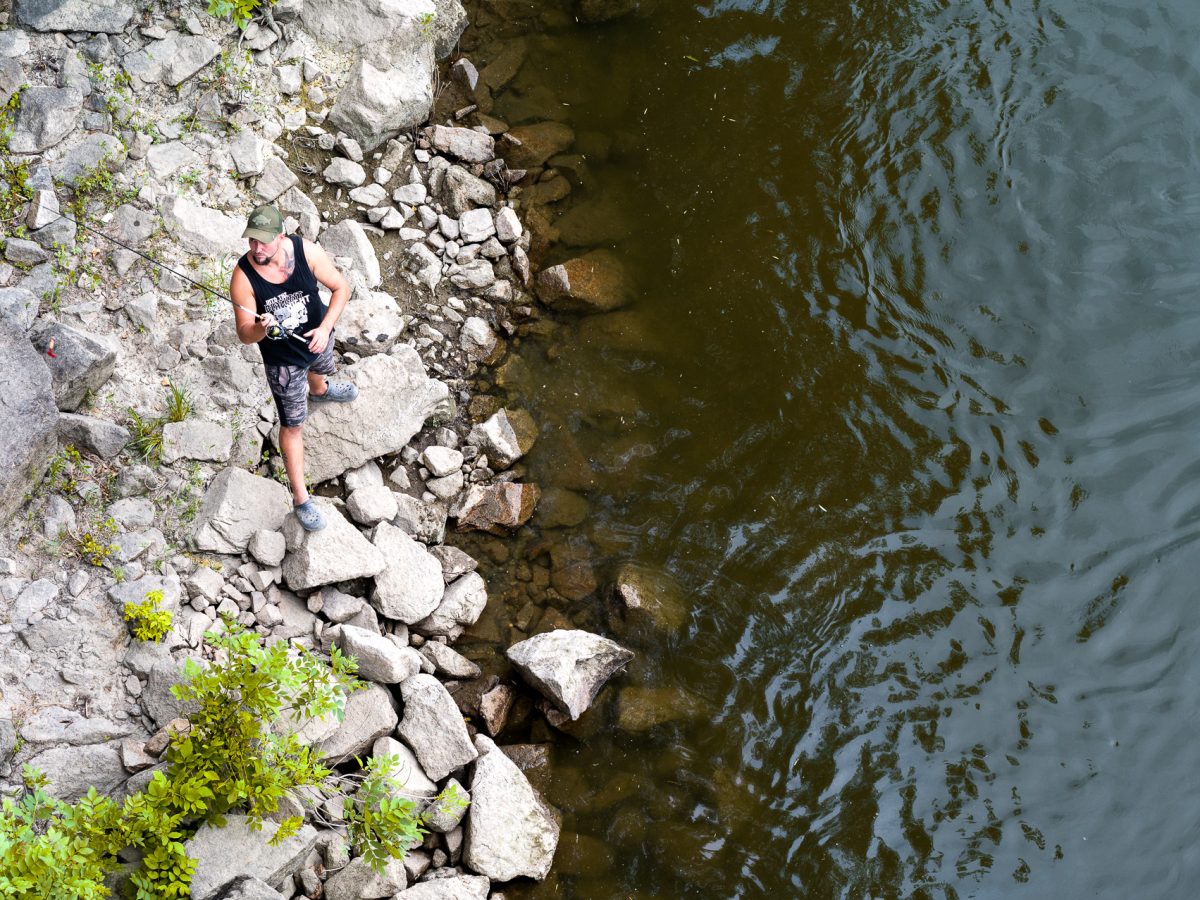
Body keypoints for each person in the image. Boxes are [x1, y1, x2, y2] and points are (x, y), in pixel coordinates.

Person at [230, 204, 357, 532]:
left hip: (317, 337)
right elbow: (245, 335)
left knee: (322, 366)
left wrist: (326, 328)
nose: (257, 249)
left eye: (264, 242)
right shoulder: (243, 278)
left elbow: (341, 288)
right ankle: (301, 498)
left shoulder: (306, 252)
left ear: (281, 236)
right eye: (252, 241)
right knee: (293, 425)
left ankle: (320, 390)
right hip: (282, 362)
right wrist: (261, 327)